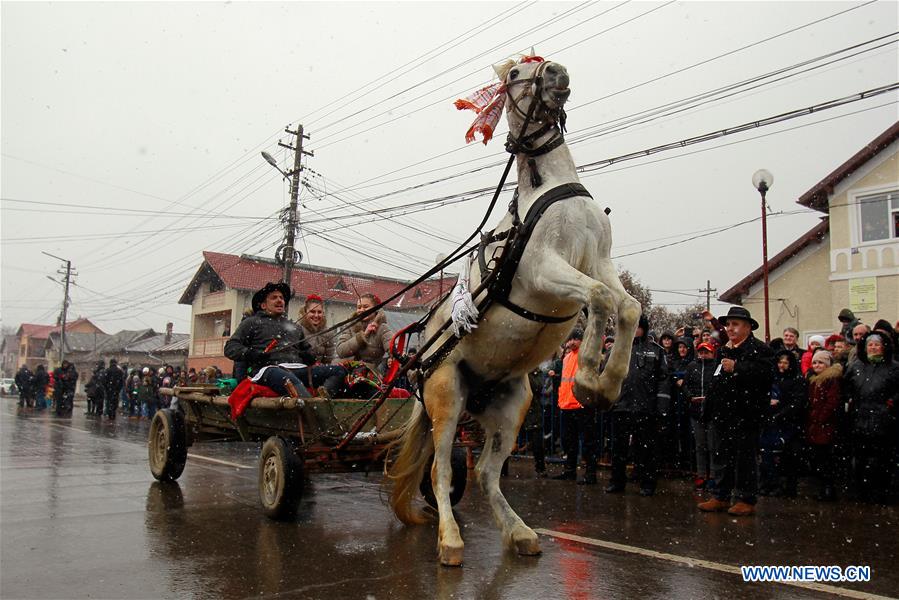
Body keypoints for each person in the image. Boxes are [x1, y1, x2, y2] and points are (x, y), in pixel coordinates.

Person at [698, 307, 773, 516]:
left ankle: (745, 498)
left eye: (735, 324)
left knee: (744, 458)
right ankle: (720, 495)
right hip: (722, 413)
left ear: (748, 327)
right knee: (721, 456)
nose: (730, 328)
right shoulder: (723, 350)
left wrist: (738, 367)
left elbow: (766, 376)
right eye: (728, 324)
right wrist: (708, 409)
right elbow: (716, 381)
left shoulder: (760, 349)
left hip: (746, 414)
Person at [606, 314, 670, 496]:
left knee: (646, 449)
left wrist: (661, 408)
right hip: (621, 406)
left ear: (644, 328)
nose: (634, 331)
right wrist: (608, 401)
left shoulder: (656, 351)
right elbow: (606, 375)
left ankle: (647, 483)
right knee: (618, 449)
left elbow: (663, 380)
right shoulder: (617, 350)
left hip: (645, 407)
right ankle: (617, 482)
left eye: (638, 327)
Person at [224, 282, 314, 398]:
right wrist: (251, 354)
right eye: (274, 297)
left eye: (281, 298)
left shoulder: (295, 327)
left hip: (297, 369)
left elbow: (309, 352)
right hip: (270, 371)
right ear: (263, 305)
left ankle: (326, 401)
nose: (279, 300)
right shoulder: (251, 323)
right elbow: (231, 348)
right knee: (285, 377)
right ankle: (311, 407)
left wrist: (308, 356)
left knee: (337, 371)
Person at [843, 332, 899, 504]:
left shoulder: (894, 367)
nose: (873, 348)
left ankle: (881, 493)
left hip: (884, 420)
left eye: (877, 344)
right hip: (860, 418)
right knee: (859, 459)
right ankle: (860, 492)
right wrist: (849, 400)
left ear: (884, 347)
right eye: (870, 345)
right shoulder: (856, 366)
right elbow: (846, 387)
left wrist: (891, 403)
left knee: (883, 460)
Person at [758, 350, 806, 497]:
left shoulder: (797, 380)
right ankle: (769, 483)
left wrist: (780, 412)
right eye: (780, 362)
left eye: (785, 362)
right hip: (772, 422)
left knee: (789, 456)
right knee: (768, 455)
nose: (782, 365)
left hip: (789, 423)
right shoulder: (773, 379)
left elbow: (797, 402)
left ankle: (787, 487)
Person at [553, 329, 598, 484]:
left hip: (582, 405)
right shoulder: (566, 358)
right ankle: (570, 471)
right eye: (569, 339)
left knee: (587, 442)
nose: (571, 342)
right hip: (566, 405)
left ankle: (590, 474)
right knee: (568, 441)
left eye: (575, 339)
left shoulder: (586, 355)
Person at [336, 293, 394, 398]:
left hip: (370, 375)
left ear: (375, 309)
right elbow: (340, 351)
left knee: (365, 390)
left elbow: (394, 348)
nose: (361, 310)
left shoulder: (382, 328)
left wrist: (392, 357)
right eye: (359, 307)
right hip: (346, 372)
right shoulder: (350, 326)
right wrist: (363, 335)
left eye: (366, 307)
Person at [804, 350, 842, 501]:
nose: (817, 365)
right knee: (819, 458)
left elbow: (831, 402)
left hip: (825, 425)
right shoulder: (814, 380)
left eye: (820, 362)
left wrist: (819, 417)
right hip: (816, 425)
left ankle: (828, 488)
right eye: (815, 362)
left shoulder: (831, 380)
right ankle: (824, 488)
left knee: (826, 459)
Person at [683, 342, 719, 490]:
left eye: (706, 352)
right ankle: (701, 474)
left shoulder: (716, 366)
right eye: (701, 352)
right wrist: (690, 397)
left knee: (712, 445)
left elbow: (719, 386)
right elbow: (685, 385)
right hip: (696, 410)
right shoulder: (692, 366)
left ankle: (713, 475)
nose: (703, 355)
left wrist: (711, 398)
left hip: (711, 411)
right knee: (700, 445)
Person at [298, 294, 348, 398]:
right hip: (301, 370)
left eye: (319, 312)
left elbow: (328, 359)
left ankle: (324, 395)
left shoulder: (328, 333)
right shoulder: (298, 329)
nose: (316, 315)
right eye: (312, 312)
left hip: (318, 371)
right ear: (305, 312)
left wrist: (321, 367)